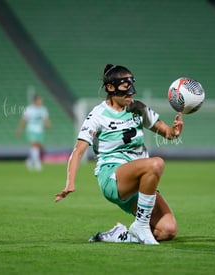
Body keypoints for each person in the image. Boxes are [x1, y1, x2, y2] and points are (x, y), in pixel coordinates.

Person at [54, 64, 183, 245]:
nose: (131, 92)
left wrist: (174, 131)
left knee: (167, 231)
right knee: (156, 163)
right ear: (110, 87)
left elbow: (167, 133)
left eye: (132, 86)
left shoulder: (138, 108)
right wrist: (70, 182)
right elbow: (78, 151)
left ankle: (119, 235)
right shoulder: (98, 115)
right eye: (125, 87)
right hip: (113, 177)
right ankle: (141, 225)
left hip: (140, 181)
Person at [16, 95, 51, 171]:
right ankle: (37, 163)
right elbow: (24, 120)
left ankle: (29, 161)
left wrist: (48, 124)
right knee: (34, 144)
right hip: (31, 129)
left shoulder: (43, 109)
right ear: (35, 101)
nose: (41, 102)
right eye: (39, 100)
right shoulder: (29, 109)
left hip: (40, 130)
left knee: (37, 147)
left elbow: (45, 119)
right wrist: (19, 129)